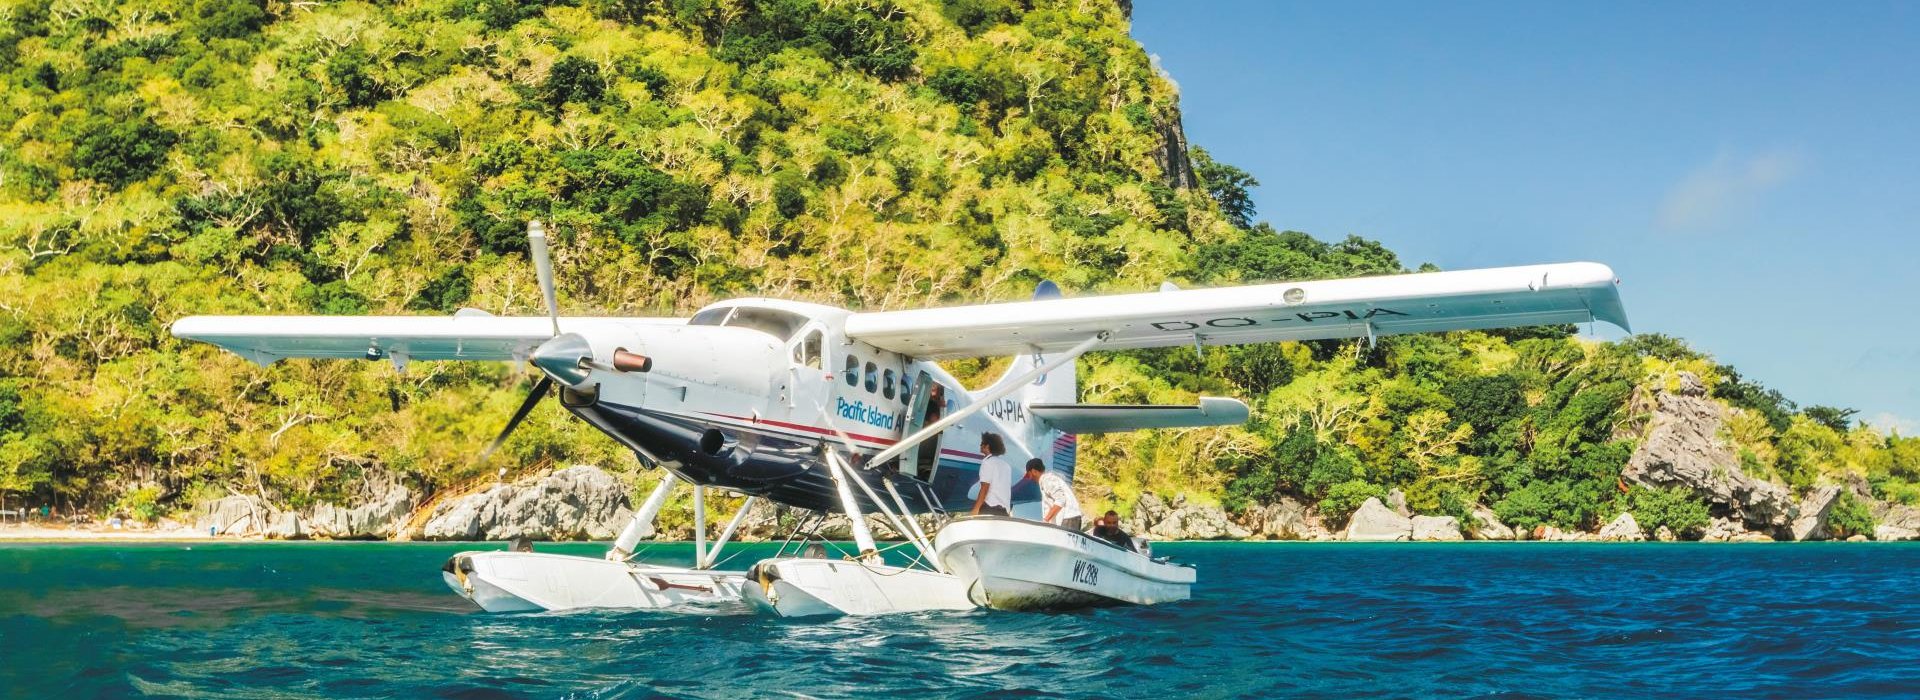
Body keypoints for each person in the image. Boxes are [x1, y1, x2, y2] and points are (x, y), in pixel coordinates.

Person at [1023, 459, 1083, 530]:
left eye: (1028, 474)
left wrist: (1046, 520)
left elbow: (1061, 500)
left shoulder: (1047, 480)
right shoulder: (1047, 480)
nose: (1029, 478)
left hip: (1068, 517)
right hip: (1069, 518)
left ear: (1034, 471)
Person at [969, 432, 1012, 517]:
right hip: (1004, 512)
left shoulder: (987, 462)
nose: (980, 446)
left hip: (990, 508)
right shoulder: (1006, 465)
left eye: (982, 443)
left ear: (987, 446)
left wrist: (976, 509)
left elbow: (985, 487)